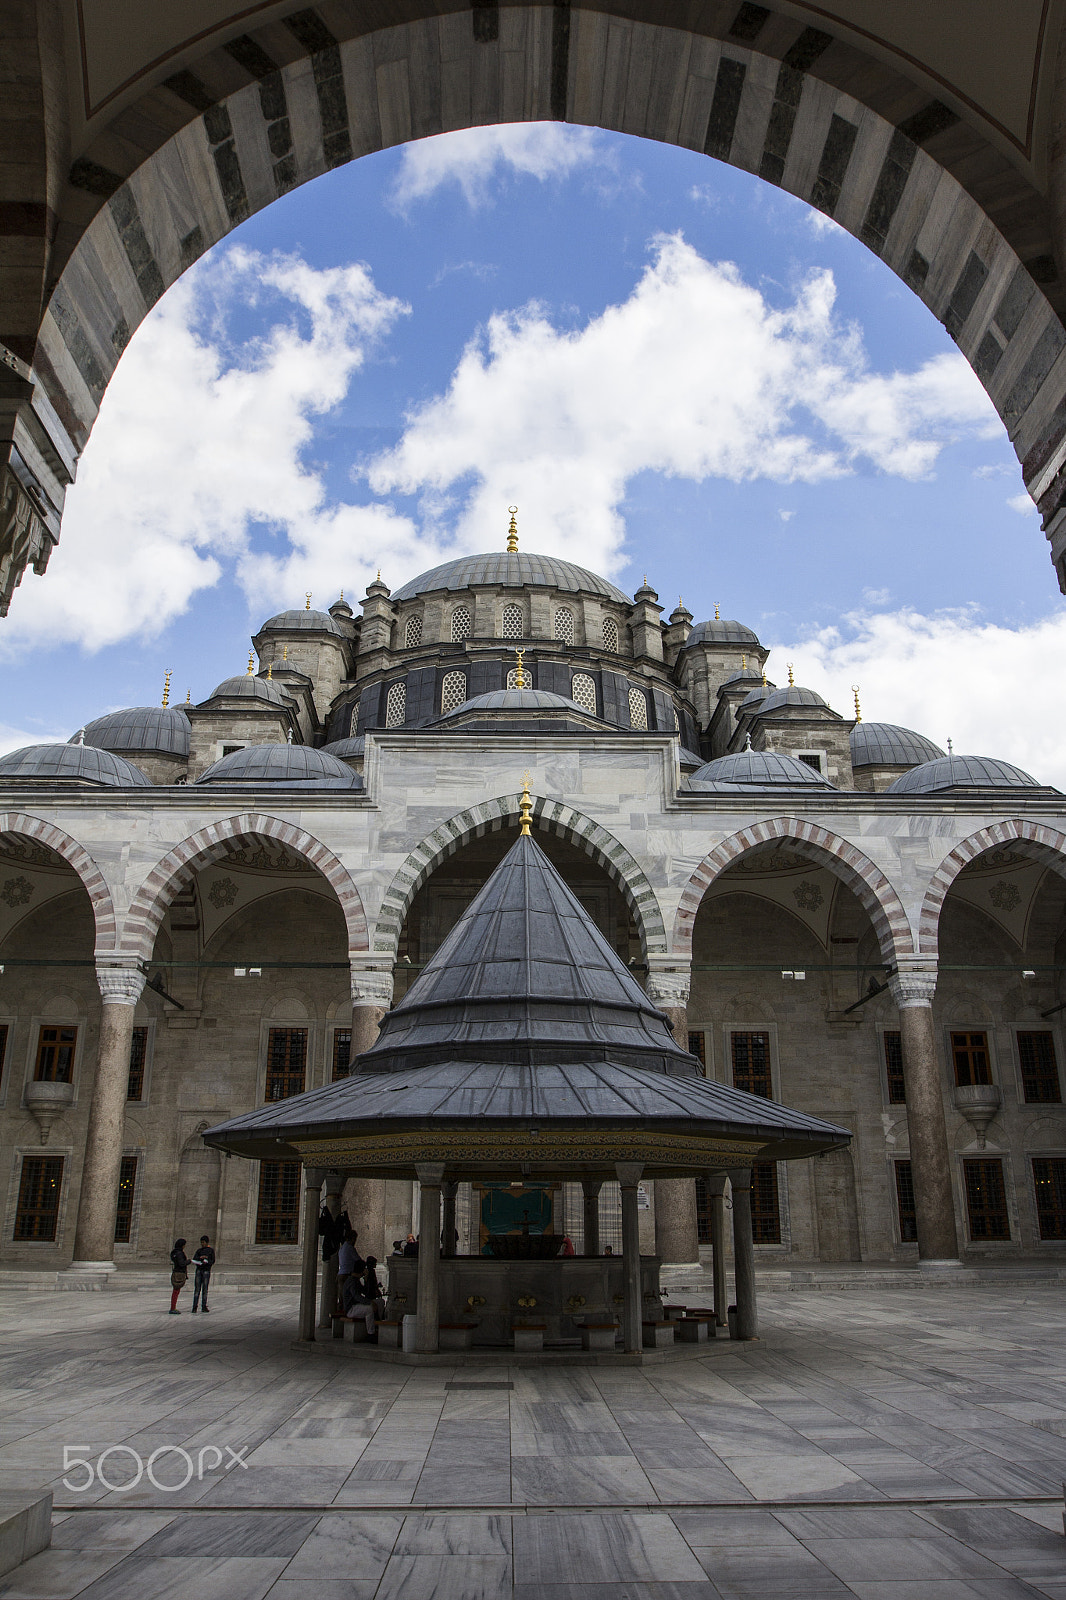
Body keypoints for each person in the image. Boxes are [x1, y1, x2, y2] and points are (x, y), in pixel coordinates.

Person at [343, 1255, 384, 1337]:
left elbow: (365, 1291)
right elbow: (356, 1296)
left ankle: (377, 1322)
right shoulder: (351, 1281)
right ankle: (371, 1333)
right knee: (369, 1309)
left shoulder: (357, 1280)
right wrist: (370, 1302)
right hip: (351, 1308)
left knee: (380, 1302)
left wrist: (366, 1280)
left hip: (358, 1305)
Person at [336, 1227, 364, 1312]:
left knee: (341, 1297)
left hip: (341, 1274)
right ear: (352, 1239)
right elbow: (358, 1260)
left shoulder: (342, 1247)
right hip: (347, 1275)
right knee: (349, 1297)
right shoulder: (350, 1248)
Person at [191, 1235, 215, 1313]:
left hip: (206, 1270)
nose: (202, 1244)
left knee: (205, 1289)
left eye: (203, 1242)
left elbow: (212, 1261)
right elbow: (195, 1259)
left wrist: (207, 1259)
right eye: (201, 1242)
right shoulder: (199, 1251)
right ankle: (194, 1306)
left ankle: (204, 1306)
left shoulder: (210, 1250)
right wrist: (200, 1258)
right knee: (197, 1289)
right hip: (199, 1270)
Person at [169, 1239, 190, 1314]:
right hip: (179, 1273)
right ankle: (173, 1307)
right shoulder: (180, 1253)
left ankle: (173, 1307)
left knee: (175, 1291)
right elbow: (181, 1263)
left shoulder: (174, 1252)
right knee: (176, 1291)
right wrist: (188, 1261)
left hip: (175, 1272)